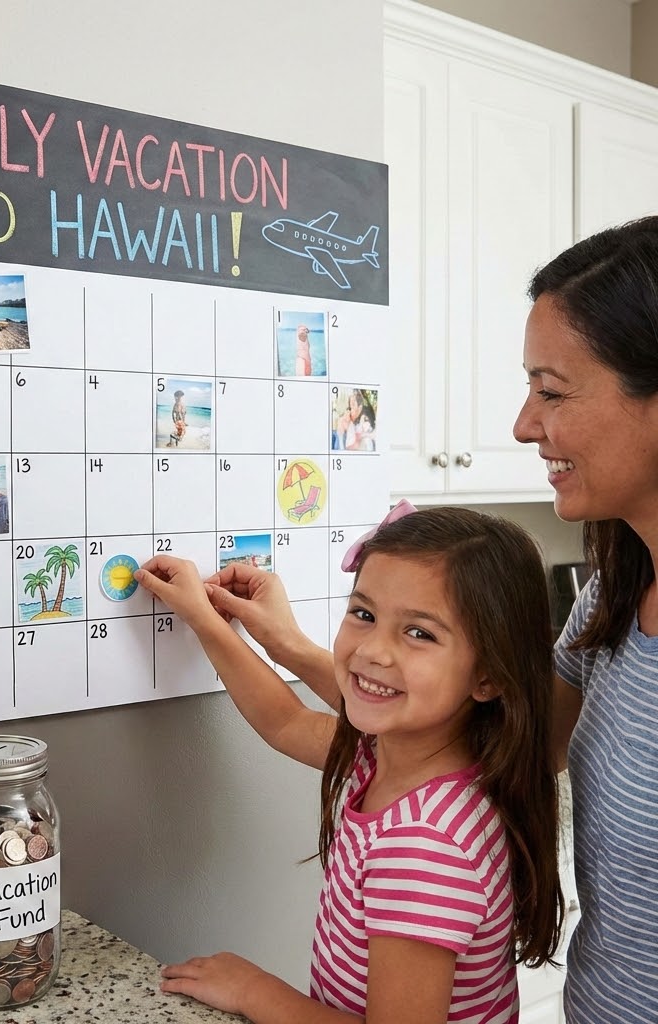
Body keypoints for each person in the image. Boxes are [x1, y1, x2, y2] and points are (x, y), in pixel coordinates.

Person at [134, 504, 563, 1024]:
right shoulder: (404, 757)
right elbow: (286, 721)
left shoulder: (423, 845)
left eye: (420, 633)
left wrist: (254, 991)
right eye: (364, 614)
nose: (374, 651)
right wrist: (209, 621)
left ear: (489, 676)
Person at [511, 215, 658, 1024]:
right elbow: (503, 746)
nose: (524, 424)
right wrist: (271, 641)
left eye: (552, 390)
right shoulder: (611, 597)